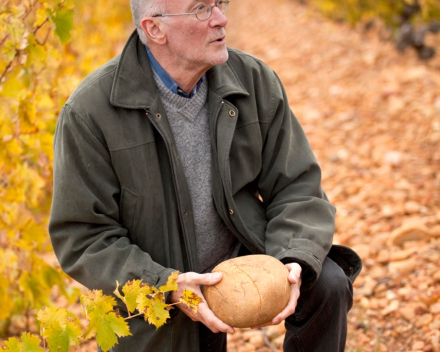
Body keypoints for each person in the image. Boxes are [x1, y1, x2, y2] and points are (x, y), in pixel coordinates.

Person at [49, 0, 362, 351]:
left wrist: (294, 258)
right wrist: (164, 283)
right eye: (201, 9)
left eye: (219, 3)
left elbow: (297, 187)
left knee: (327, 283)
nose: (221, 19)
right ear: (155, 29)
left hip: (242, 251)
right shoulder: (89, 112)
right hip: (160, 283)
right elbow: (84, 236)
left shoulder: (255, 80)